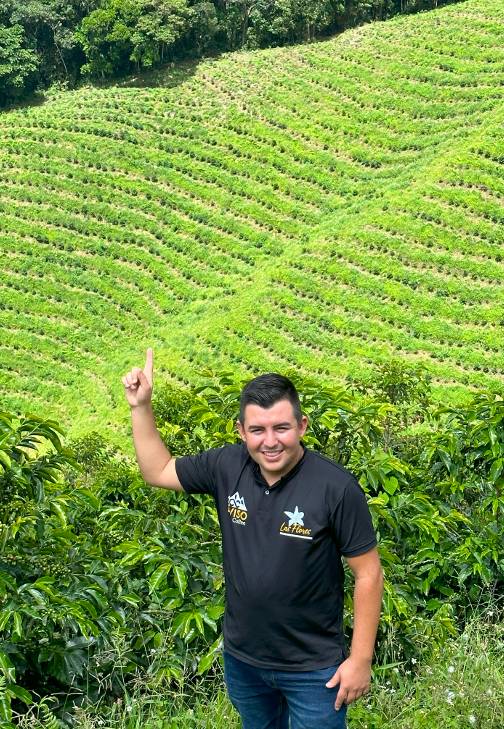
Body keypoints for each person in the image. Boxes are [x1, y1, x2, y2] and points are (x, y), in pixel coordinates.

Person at [122, 348, 383, 729]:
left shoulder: (336, 487)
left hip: (314, 668)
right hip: (245, 661)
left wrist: (360, 660)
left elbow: (368, 574)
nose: (270, 441)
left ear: (303, 426)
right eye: (257, 430)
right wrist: (141, 406)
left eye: (281, 428)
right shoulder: (227, 466)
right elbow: (158, 470)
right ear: (241, 431)